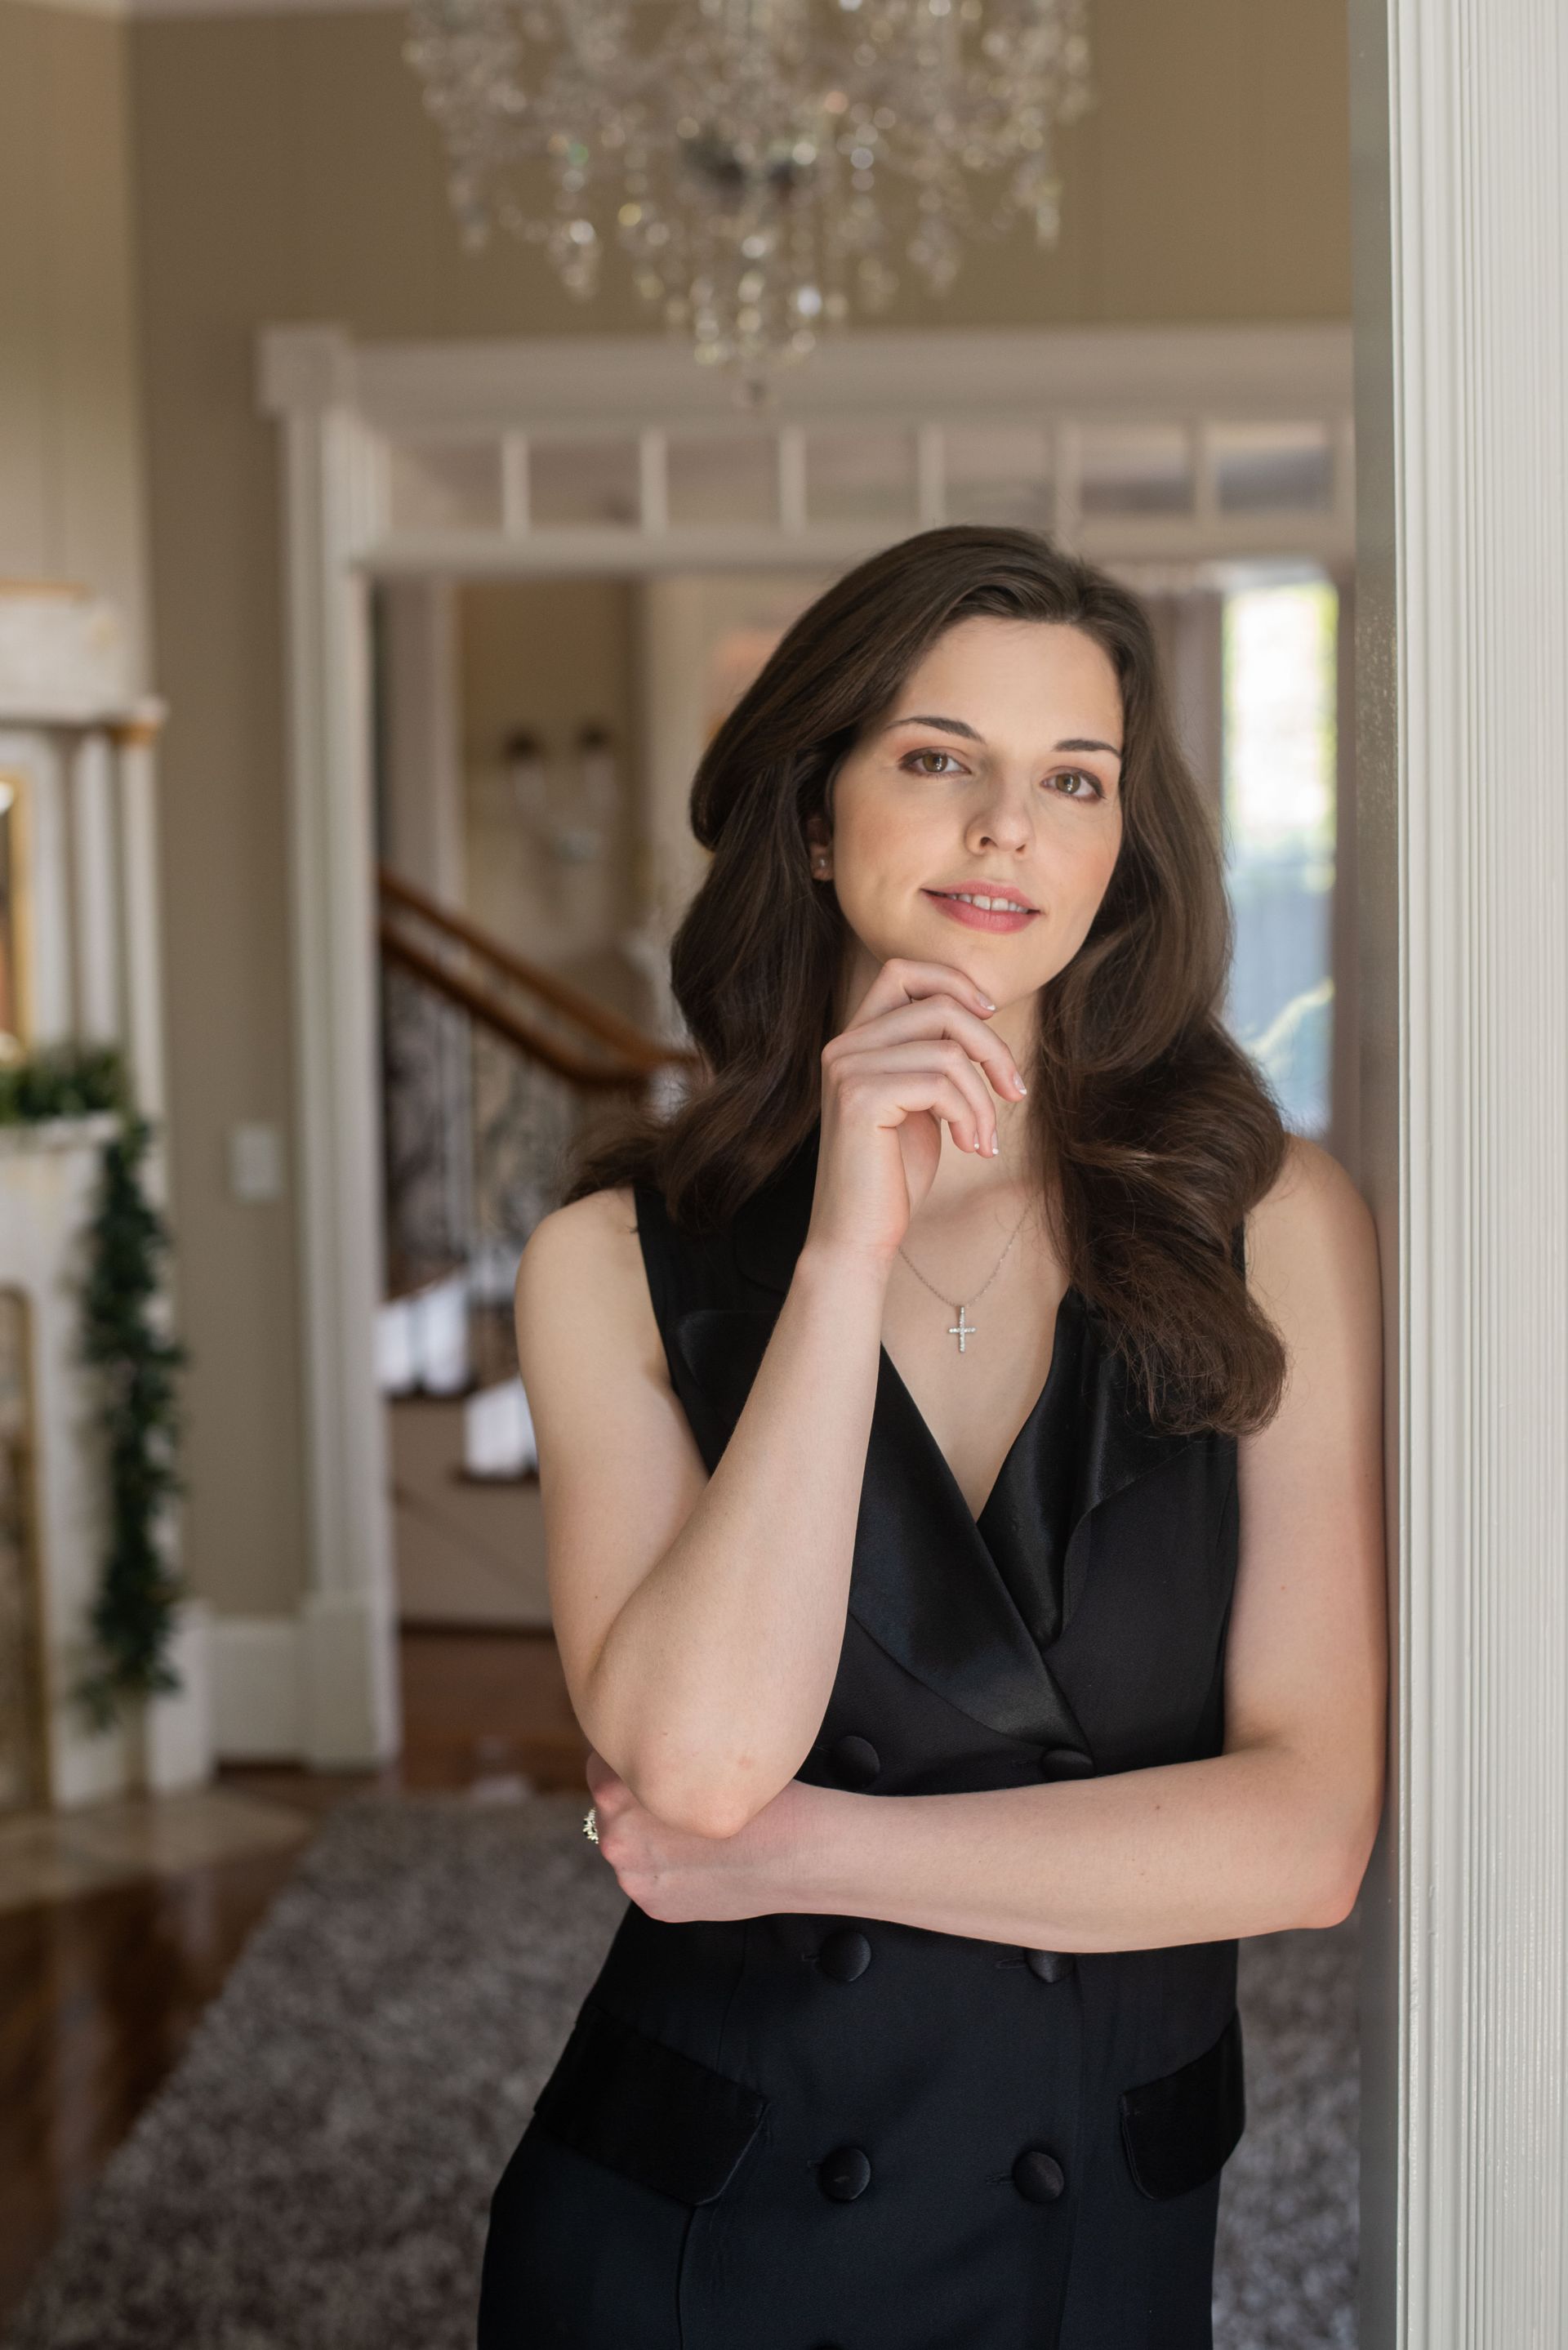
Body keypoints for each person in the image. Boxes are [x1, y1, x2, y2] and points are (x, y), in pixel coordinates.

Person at [475, 525, 1387, 2350]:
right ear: (815, 816)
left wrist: (810, 1852)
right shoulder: (609, 1263)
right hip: (697, 2238)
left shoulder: (1269, 1214)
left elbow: (1305, 1835)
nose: (1006, 828)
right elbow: (691, 1762)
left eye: (1073, 778)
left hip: (1086, 2234)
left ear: (1122, 847)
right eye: (936, 757)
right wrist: (843, 1249)